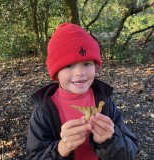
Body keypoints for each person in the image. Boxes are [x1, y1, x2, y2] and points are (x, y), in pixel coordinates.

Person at [26, 22, 138, 160]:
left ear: (96, 67)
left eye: (87, 64)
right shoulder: (44, 111)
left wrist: (110, 141)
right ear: (55, 74)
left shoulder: (105, 102)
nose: (80, 72)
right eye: (68, 65)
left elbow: (130, 151)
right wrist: (62, 148)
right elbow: (33, 156)